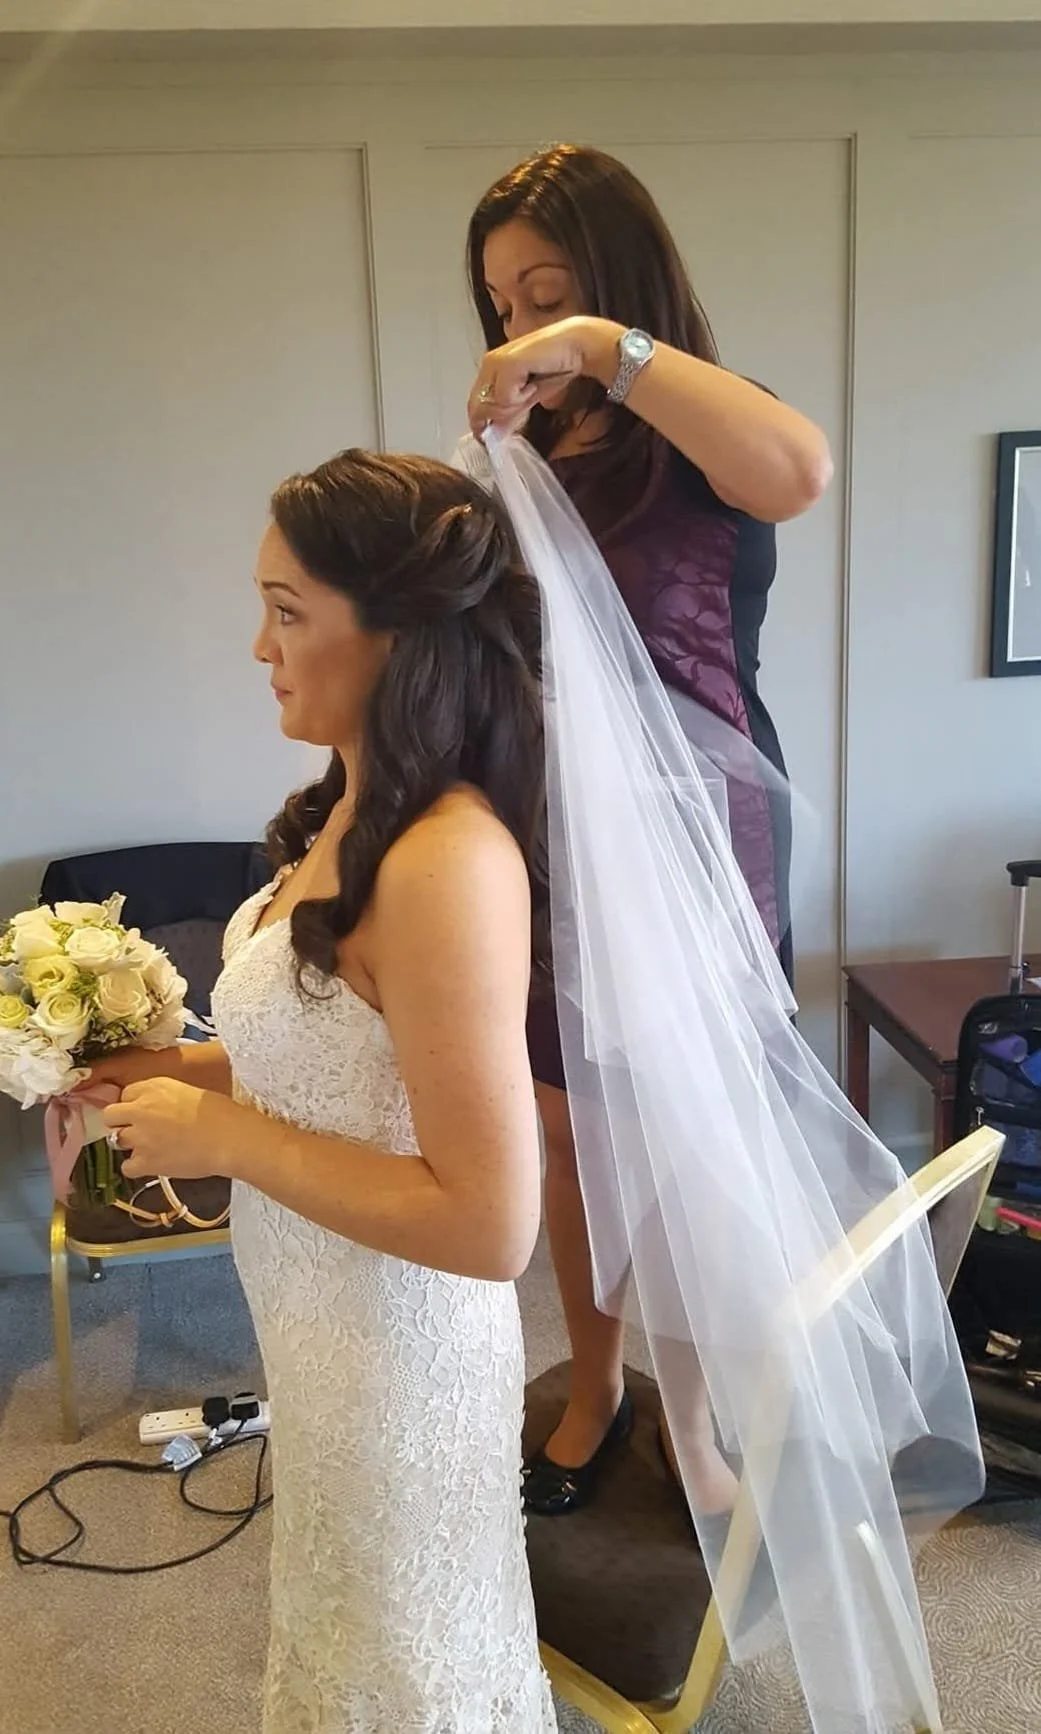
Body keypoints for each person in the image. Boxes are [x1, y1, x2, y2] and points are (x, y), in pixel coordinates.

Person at [87, 450, 558, 1734]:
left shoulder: (448, 860)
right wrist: (166, 1071)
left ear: (398, 634)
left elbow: (488, 1224)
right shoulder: (350, 808)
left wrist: (223, 1134)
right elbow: (332, 1053)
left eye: (288, 611)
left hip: (403, 1355)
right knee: (344, 1639)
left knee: (410, 1674)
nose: (258, 644)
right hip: (323, 1329)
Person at [464, 142, 834, 1519]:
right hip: (541, 834)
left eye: (543, 290)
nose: (519, 327)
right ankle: (595, 1379)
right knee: (564, 1127)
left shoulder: (713, 419)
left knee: (679, 1127)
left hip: (697, 832)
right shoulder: (521, 449)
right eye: (501, 304)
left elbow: (798, 471)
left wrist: (607, 350)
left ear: (618, 284)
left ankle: (695, 1419)